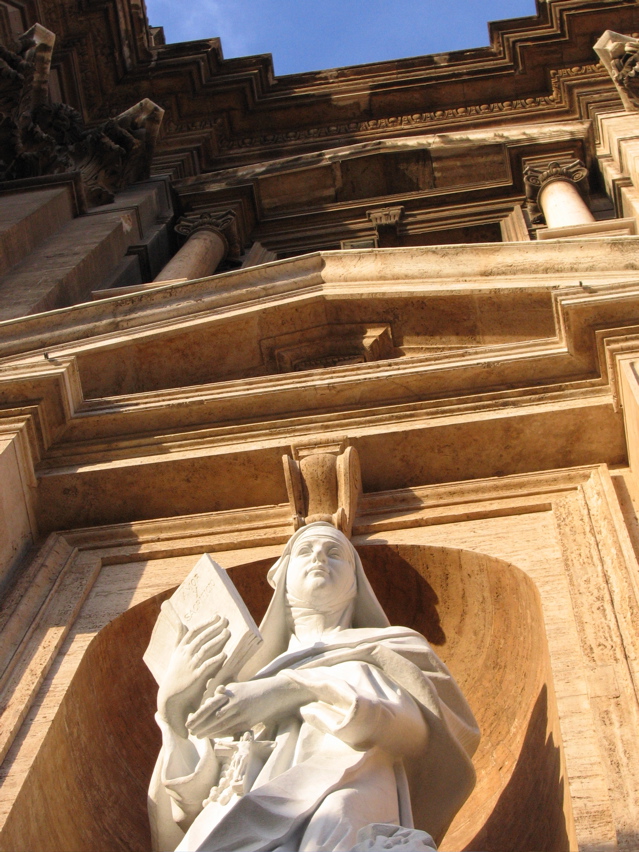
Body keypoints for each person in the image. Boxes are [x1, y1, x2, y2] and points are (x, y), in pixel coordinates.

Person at [148, 522, 480, 852]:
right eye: (305, 551)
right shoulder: (244, 680)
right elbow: (182, 818)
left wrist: (290, 690)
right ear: (283, 580)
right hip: (241, 822)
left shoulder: (393, 649)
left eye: (334, 552)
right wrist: (174, 711)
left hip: (344, 798)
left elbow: (419, 737)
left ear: (355, 584)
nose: (319, 557)